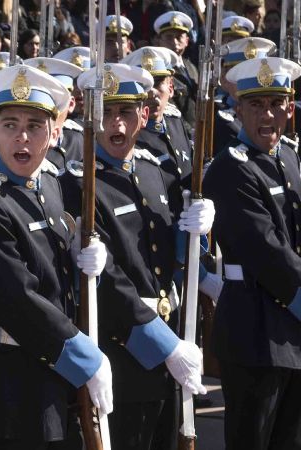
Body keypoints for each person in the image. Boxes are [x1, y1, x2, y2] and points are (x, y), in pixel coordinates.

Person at [0, 64, 112, 449]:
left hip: (53, 383)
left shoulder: (53, 186)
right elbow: (16, 299)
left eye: (35, 126)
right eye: (9, 125)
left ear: (54, 133)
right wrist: (85, 358)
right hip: (9, 391)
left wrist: (90, 259)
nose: (22, 138)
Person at [62, 63, 211, 450]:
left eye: (126, 112)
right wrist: (165, 345)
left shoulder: (155, 171)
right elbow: (108, 279)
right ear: (89, 118)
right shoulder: (78, 184)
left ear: (144, 115)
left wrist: (201, 233)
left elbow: (175, 252)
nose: (117, 125)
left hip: (174, 335)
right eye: (107, 113)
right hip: (125, 346)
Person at [204, 56, 301, 450]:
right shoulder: (231, 169)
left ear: (290, 109)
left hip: (292, 330)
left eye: (277, 104)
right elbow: (267, 251)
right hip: (255, 333)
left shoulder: (289, 158)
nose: (268, 115)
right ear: (238, 108)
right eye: (257, 105)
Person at [123, 46, 193, 217]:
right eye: (145, 85)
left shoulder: (174, 119)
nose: (152, 92)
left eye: (158, 82)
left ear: (171, 86)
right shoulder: (128, 133)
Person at [212, 37, 275, 157]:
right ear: (224, 78)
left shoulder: (277, 111)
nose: (250, 82)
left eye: (257, 75)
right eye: (240, 75)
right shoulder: (213, 115)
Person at [24, 56, 84, 172]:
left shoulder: (80, 140)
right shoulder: (17, 141)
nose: (48, 108)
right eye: (40, 99)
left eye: (57, 100)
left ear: (71, 104)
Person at [153, 11, 199, 133]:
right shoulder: (160, 72)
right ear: (159, 41)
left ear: (187, 41)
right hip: (179, 132)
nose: (174, 42)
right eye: (169, 37)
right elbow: (169, 109)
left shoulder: (191, 67)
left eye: (179, 37)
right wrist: (190, 133)